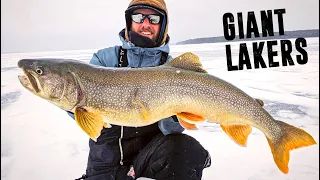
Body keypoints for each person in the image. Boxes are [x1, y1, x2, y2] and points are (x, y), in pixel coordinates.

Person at [69, 0, 211, 179]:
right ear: (129, 21)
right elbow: (85, 116)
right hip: (106, 167)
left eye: (153, 19)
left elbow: (169, 131)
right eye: (138, 17)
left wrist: (178, 113)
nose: (145, 24)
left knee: (187, 149)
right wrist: (71, 103)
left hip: (151, 162)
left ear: (163, 25)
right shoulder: (105, 60)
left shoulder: (173, 69)